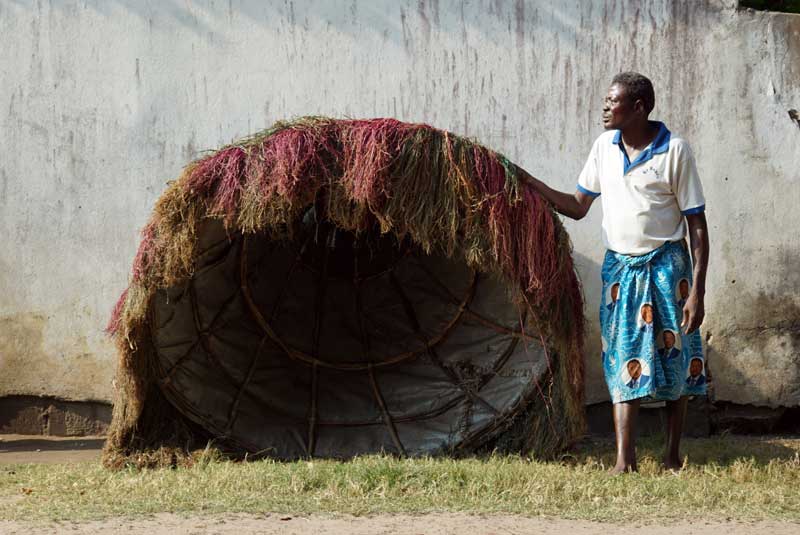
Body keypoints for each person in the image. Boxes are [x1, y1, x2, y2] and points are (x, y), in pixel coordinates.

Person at [515, 72, 709, 473]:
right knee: (622, 353)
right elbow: (577, 205)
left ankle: (672, 455)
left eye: (612, 101)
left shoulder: (675, 150)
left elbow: (697, 224)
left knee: (677, 353)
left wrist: (697, 292)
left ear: (638, 107)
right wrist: (529, 182)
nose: (604, 107)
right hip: (620, 268)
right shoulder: (605, 147)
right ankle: (625, 460)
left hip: (667, 266)